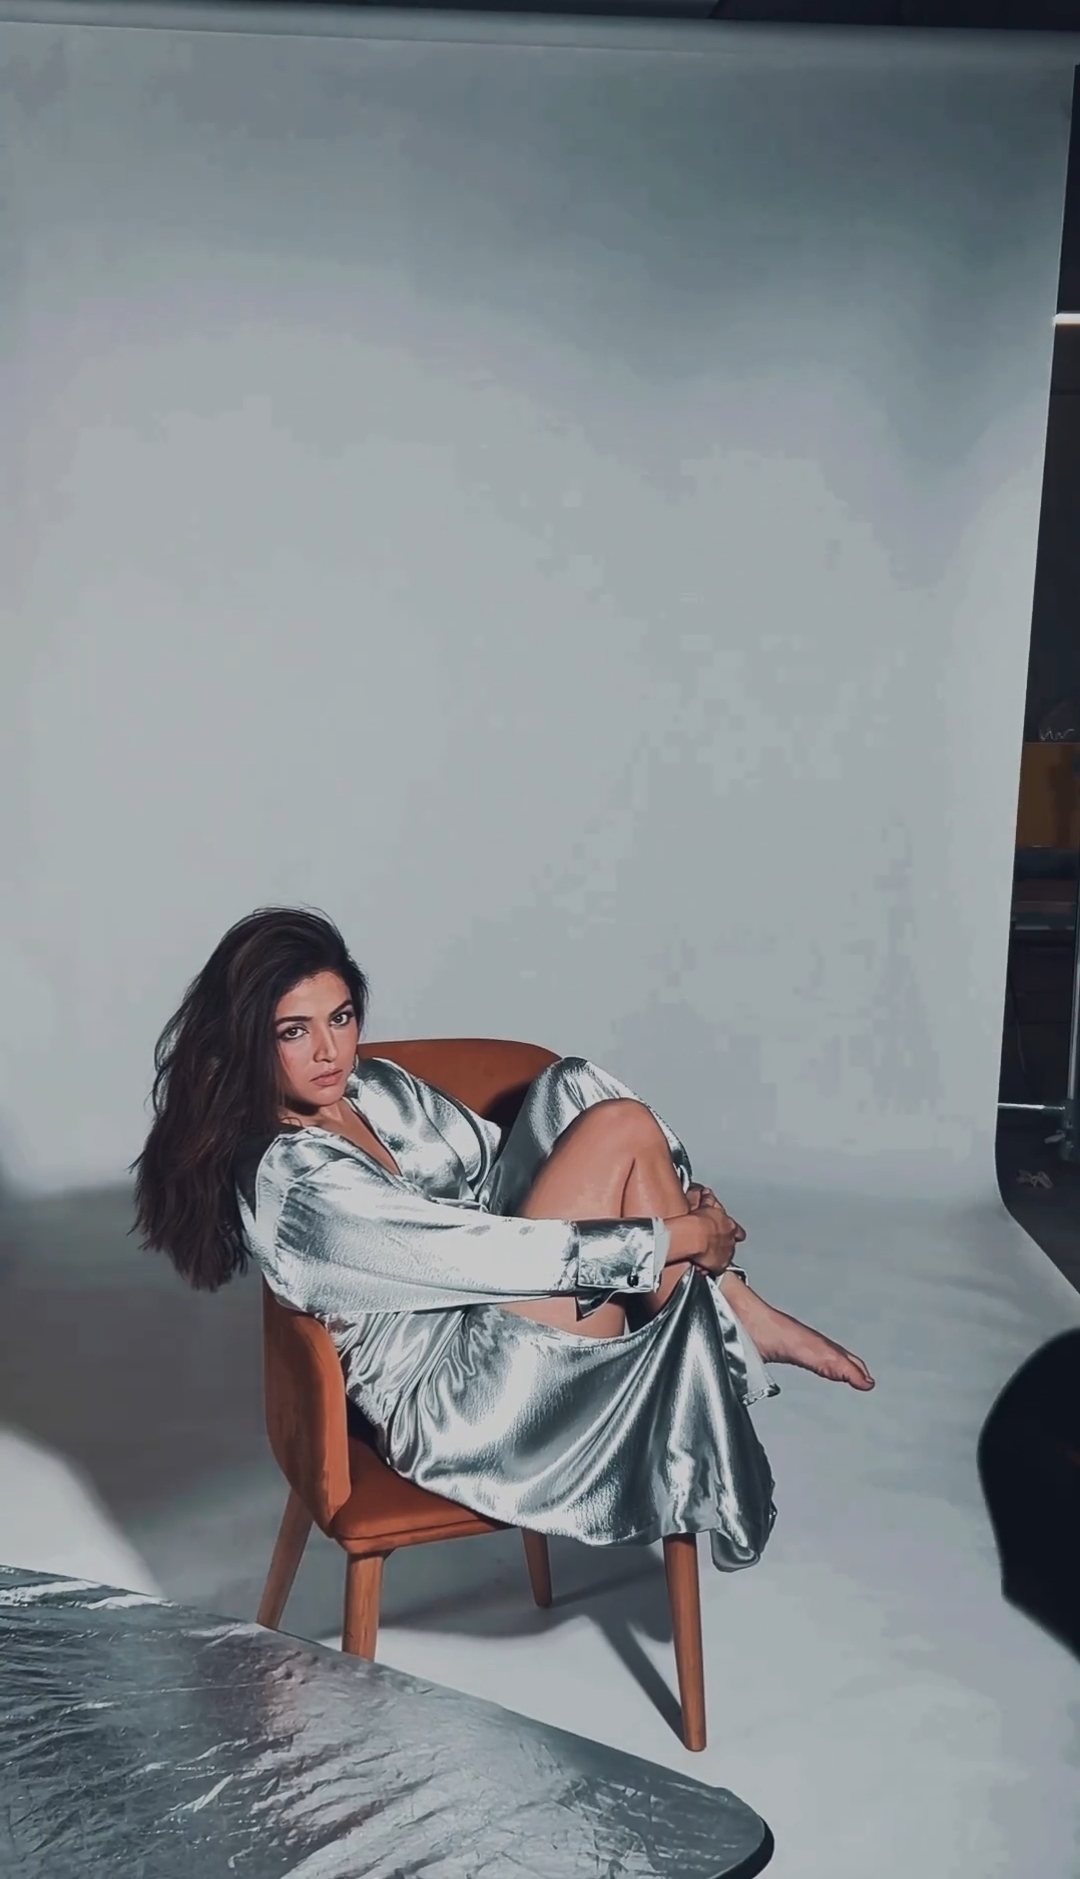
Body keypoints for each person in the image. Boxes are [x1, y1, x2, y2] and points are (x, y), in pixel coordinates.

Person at [133, 908, 873, 1573]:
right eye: (294, 1031)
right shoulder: (296, 1186)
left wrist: (676, 1216)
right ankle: (728, 1332)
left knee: (577, 1088)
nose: (329, 1050)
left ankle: (731, 1306)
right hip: (457, 1403)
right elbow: (485, 1252)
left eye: (342, 1017)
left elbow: (498, 1171)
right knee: (620, 1135)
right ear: (249, 1041)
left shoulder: (372, 1086)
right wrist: (681, 1234)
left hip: (498, 1312)